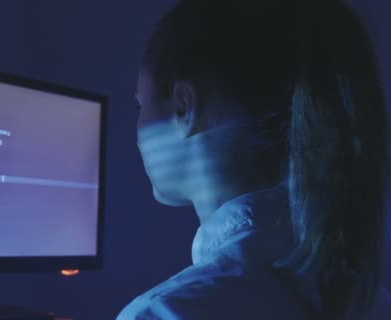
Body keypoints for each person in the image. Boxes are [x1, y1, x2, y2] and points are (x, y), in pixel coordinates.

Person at [117, 0, 390, 319]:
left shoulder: (165, 312)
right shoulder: (373, 301)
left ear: (183, 108)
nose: (137, 130)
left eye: (139, 106)